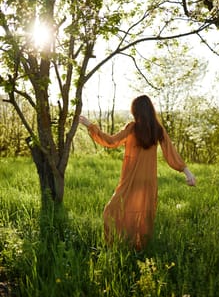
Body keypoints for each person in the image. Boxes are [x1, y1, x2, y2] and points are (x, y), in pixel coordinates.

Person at [79, 95, 196, 251]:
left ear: (136, 111)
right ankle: (136, 246)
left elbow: (111, 141)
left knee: (111, 211)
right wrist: (187, 173)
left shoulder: (133, 128)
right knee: (141, 214)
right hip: (148, 181)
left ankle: (117, 246)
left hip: (132, 179)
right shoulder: (158, 129)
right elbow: (171, 153)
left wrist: (90, 125)